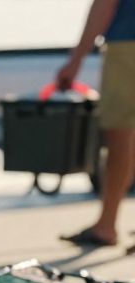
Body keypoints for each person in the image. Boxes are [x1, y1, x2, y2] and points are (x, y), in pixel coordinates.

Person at [59, 0, 135, 247]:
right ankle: (106, 224)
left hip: (128, 43)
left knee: (121, 138)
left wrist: (76, 59)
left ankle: (106, 225)